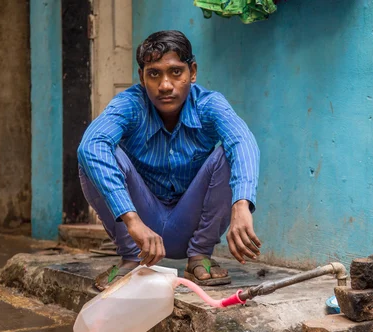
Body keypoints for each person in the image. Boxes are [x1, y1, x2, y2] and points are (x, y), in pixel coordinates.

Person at [77, 30, 261, 290]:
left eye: (176, 72)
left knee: (228, 153)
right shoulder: (130, 105)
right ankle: (132, 258)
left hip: (191, 224)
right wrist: (132, 221)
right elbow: (91, 145)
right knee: (94, 154)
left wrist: (241, 205)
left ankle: (199, 257)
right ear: (141, 77)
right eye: (154, 74)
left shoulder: (209, 104)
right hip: (141, 228)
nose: (165, 85)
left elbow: (243, 141)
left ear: (192, 72)